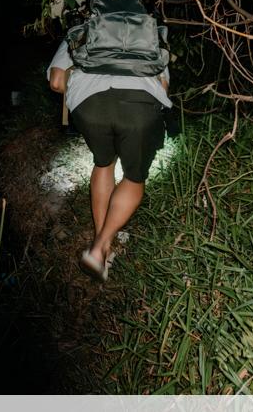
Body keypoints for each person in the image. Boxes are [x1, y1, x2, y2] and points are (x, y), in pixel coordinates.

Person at [47, 38, 170, 282]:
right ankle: (100, 247)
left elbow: (57, 82)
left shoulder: (82, 29)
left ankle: (101, 247)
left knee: (104, 162)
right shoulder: (150, 30)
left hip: (90, 106)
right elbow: (163, 86)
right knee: (134, 176)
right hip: (139, 106)